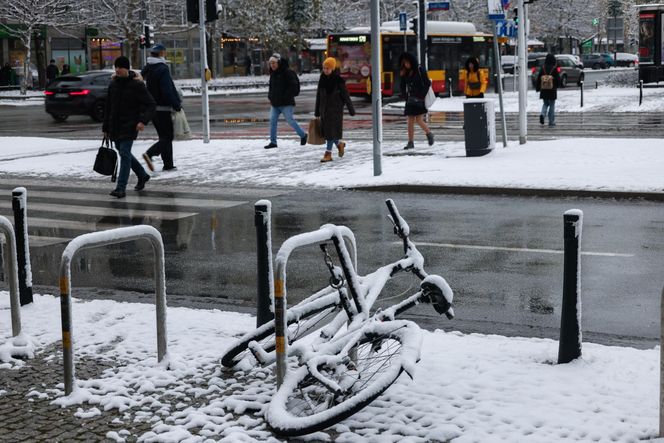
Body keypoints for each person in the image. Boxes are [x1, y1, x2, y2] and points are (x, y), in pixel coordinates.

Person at [103, 56, 156, 199]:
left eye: (120, 67)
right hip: (115, 126)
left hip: (130, 126)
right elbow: (108, 107)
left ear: (127, 68)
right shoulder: (113, 85)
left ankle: (121, 188)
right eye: (116, 67)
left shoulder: (137, 85)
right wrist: (106, 128)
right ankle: (142, 175)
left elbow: (151, 105)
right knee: (123, 152)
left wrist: (142, 121)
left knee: (125, 155)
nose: (117, 69)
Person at [141, 43, 182, 172]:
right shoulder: (162, 69)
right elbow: (167, 89)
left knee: (164, 136)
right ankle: (150, 153)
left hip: (152, 108)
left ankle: (168, 164)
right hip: (163, 108)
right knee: (168, 137)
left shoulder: (148, 68)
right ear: (161, 54)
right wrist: (176, 104)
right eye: (164, 52)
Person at [314, 57, 355, 163]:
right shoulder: (322, 79)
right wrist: (317, 111)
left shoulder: (338, 80)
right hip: (324, 110)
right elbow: (318, 95)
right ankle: (339, 144)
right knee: (328, 133)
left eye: (327, 68)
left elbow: (346, 95)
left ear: (332, 68)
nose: (325, 70)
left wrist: (351, 109)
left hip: (335, 110)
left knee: (330, 133)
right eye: (324, 68)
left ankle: (328, 154)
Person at [264, 53, 307, 149]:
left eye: (274, 63)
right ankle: (273, 142)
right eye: (271, 63)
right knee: (272, 121)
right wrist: (270, 96)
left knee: (290, 120)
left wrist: (286, 96)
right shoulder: (273, 74)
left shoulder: (287, 72)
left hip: (286, 103)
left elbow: (293, 86)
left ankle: (303, 135)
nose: (272, 65)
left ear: (279, 62)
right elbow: (271, 87)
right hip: (275, 103)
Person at [399, 52, 434, 150]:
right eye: (404, 63)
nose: (406, 65)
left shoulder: (420, 70)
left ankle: (429, 133)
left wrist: (421, 96)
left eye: (407, 63)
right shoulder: (405, 72)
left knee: (419, 120)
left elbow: (427, 83)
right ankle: (410, 142)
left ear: (411, 62)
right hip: (410, 99)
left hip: (419, 99)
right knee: (410, 121)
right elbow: (402, 85)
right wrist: (405, 96)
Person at [535, 53, 560, 128]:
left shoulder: (543, 68)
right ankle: (551, 122)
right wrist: (557, 85)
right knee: (552, 105)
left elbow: (539, 79)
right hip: (552, 90)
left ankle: (542, 114)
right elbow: (558, 80)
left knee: (545, 104)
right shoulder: (554, 69)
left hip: (544, 90)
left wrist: (538, 88)